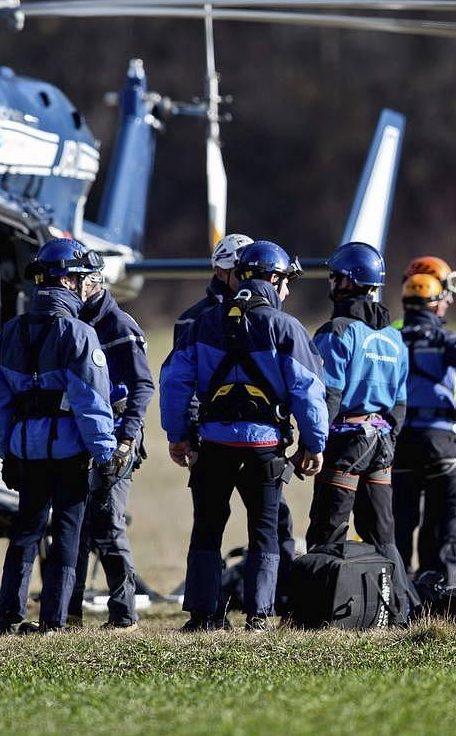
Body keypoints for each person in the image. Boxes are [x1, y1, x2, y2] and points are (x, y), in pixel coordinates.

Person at [160, 240, 327, 632]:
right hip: (264, 447)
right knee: (264, 532)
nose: (286, 290)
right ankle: (259, 616)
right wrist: (313, 444)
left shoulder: (203, 323)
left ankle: (202, 616)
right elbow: (308, 390)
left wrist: (178, 434)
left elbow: (174, 382)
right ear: (272, 278)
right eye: (285, 281)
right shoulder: (286, 327)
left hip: (213, 445)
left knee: (207, 528)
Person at [0, 238, 119, 635]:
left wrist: (7, 450)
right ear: (69, 283)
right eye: (82, 278)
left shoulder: (10, 331)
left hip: (25, 450)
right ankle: (54, 622)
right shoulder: (79, 333)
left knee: (24, 533)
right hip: (70, 453)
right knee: (66, 535)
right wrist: (106, 452)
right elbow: (90, 401)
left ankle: (7, 620)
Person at [307, 244, 412, 591]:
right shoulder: (395, 337)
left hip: (346, 442)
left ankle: (318, 611)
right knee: (383, 536)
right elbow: (399, 402)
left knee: (328, 530)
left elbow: (328, 396)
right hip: (381, 442)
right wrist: (387, 440)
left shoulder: (337, 331)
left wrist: (313, 444)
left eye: (334, 277)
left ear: (347, 282)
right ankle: (398, 609)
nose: (331, 283)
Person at [68, 265, 155, 631]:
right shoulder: (74, 323)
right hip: (83, 437)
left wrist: (128, 436)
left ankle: (124, 615)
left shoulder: (119, 327)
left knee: (107, 526)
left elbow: (142, 385)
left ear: (92, 284)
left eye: (74, 283)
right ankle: (68, 614)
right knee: (76, 528)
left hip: (117, 438)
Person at [392, 266, 456, 587]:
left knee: (401, 520)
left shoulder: (391, 338)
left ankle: (398, 592)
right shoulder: (444, 339)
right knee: (450, 513)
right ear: (434, 304)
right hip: (439, 439)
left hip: (399, 440)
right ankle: (441, 589)